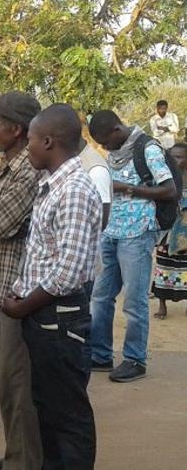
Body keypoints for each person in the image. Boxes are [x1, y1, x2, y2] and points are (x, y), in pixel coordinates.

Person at [1, 104, 102, 469]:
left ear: (48, 141)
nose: (26, 146)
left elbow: (69, 272)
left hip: (59, 318)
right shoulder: (53, 184)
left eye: (29, 139)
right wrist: (20, 289)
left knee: (67, 414)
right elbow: (44, 254)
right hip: (44, 314)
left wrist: (23, 305)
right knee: (48, 406)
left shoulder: (73, 190)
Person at [0, 91, 43, 470]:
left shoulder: (27, 171)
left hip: (19, 294)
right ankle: (18, 455)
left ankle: (24, 461)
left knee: (18, 383)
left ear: (17, 130)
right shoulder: (8, 166)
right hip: (3, 289)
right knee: (9, 381)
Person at [88, 110, 177, 382]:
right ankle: (100, 355)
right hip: (111, 230)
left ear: (117, 129)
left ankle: (135, 359)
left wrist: (127, 188)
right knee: (100, 296)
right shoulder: (116, 152)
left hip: (137, 233)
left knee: (134, 301)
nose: (105, 147)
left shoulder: (147, 149)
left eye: (106, 141)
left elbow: (169, 189)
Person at [153, 143, 187, 319]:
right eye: (172, 157)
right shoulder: (164, 179)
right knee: (163, 268)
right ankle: (162, 306)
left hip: (185, 232)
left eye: (180, 157)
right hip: (166, 232)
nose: (175, 160)